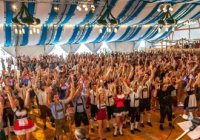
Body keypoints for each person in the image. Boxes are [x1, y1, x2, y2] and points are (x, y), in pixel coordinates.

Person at [47, 75, 77, 140]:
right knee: (60, 137)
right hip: (57, 122)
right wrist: (47, 93)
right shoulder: (52, 105)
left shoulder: (62, 102)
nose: (57, 98)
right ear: (53, 99)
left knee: (69, 134)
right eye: (55, 97)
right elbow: (47, 103)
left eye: (57, 97)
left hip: (64, 120)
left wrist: (72, 87)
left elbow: (70, 97)